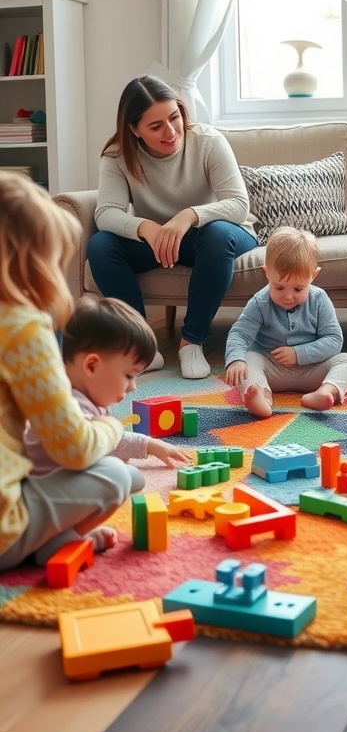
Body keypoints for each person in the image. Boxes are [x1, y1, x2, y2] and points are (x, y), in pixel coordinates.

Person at [0, 170, 132, 572]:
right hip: (4, 530)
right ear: (32, 262)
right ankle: (40, 540)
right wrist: (115, 430)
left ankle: (53, 539)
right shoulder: (22, 325)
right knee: (116, 475)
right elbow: (72, 450)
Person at [87, 75, 258, 380]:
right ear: (134, 130)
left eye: (174, 117)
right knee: (100, 246)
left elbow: (237, 204)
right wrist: (146, 228)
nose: (170, 131)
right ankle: (142, 345)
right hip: (158, 240)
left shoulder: (208, 141)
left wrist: (188, 216)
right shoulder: (116, 156)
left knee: (216, 234)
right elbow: (106, 213)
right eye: (155, 127)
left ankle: (192, 341)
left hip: (217, 235)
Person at [23, 295, 191, 493]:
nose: (132, 387)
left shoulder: (89, 400)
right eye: (128, 376)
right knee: (123, 475)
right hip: (41, 489)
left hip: (56, 484)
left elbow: (111, 440)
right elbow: (87, 449)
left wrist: (149, 444)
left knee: (124, 472)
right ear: (92, 367)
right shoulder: (67, 406)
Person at [224, 226, 347, 418]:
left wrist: (299, 354)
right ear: (267, 273)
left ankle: (326, 392)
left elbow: (334, 340)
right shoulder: (260, 302)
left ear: (313, 276)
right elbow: (240, 333)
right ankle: (261, 397)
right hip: (272, 370)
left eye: (298, 289)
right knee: (249, 359)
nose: (288, 297)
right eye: (279, 287)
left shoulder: (320, 300)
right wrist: (236, 360)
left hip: (312, 370)